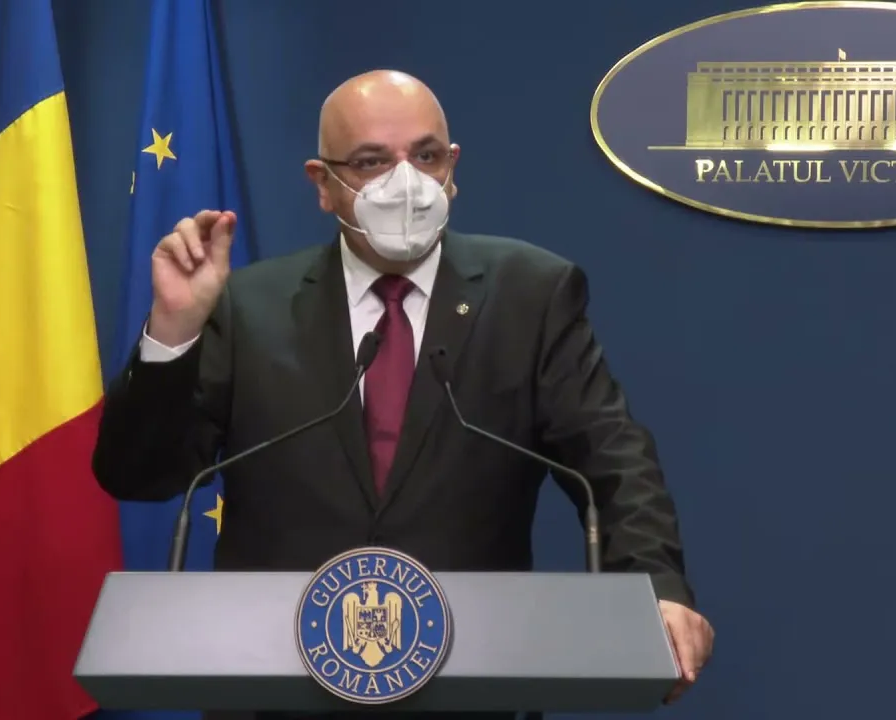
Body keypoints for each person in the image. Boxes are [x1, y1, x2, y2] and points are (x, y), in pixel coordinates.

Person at [92, 69, 713, 707]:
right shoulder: (247, 305)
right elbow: (140, 476)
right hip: (277, 690)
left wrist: (656, 587)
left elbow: (611, 458)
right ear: (323, 184)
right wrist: (174, 333)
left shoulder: (530, 295)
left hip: (473, 685)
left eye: (426, 156)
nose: (406, 182)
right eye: (371, 161)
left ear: (453, 167)